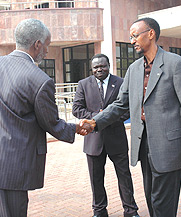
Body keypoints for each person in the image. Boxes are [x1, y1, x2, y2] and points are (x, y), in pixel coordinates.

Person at [0, 18, 91, 217]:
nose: (47, 51)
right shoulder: (39, 80)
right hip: (9, 173)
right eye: (47, 45)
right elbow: (51, 123)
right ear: (37, 44)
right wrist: (75, 128)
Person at [81, 17, 181, 217]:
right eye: (130, 37)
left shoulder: (175, 64)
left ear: (151, 33)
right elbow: (120, 105)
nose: (132, 41)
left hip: (170, 147)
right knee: (151, 200)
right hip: (144, 145)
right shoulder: (134, 69)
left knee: (163, 205)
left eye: (135, 35)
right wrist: (95, 122)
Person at [72, 54, 139, 217]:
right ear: (92, 69)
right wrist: (96, 117)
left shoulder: (121, 83)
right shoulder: (83, 84)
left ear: (109, 65)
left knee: (124, 177)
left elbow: (128, 108)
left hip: (116, 138)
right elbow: (77, 109)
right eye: (96, 67)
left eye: (102, 66)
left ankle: (130, 210)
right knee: (96, 179)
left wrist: (107, 119)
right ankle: (99, 210)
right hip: (93, 141)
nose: (99, 69)